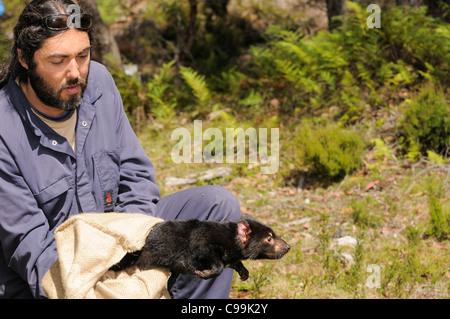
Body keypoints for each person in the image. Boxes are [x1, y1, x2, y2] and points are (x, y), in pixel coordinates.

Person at [0, 0, 241, 299]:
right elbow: (31, 248)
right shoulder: (4, 130)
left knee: (216, 206)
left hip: (123, 242)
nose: (75, 72)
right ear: (25, 59)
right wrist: (109, 286)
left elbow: (136, 176)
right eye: (58, 60)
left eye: (83, 55)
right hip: (58, 273)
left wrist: (136, 252)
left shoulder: (98, 82)